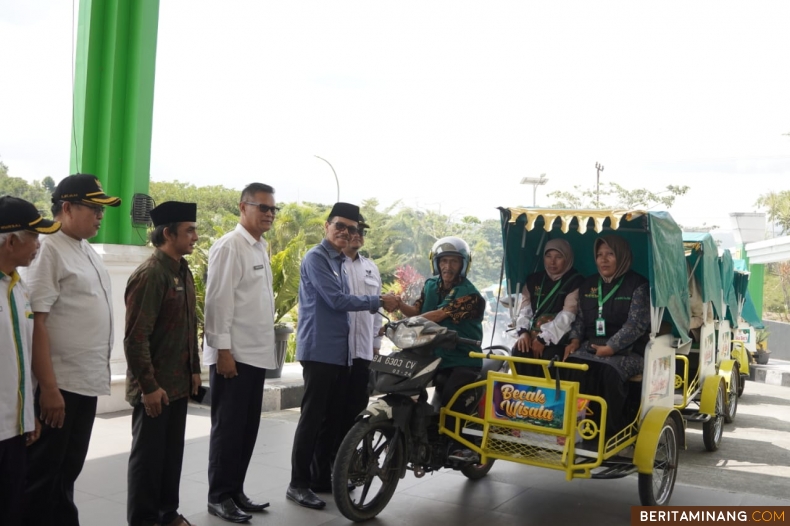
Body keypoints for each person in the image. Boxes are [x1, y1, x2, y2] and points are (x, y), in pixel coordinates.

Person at [22, 174, 121, 526]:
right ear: (67, 207)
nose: (100, 216)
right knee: (43, 474)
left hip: (85, 379)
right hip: (59, 383)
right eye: (94, 208)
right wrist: (48, 388)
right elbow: (38, 322)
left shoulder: (83, 248)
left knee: (67, 470)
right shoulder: (48, 248)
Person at [287, 202, 398, 510]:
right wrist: (379, 300)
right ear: (327, 226)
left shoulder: (341, 262)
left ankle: (322, 477)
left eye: (351, 229)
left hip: (342, 353)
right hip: (319, 350)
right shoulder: (317, 257)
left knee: (333, 418)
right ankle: (298, 483)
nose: (346, 233)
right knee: (311, 419)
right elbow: (336, 300)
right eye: (340, 226)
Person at [124, 201, 201, 526]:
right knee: (149, 461)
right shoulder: (151, 274)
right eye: (190, 230)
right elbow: (135, 338)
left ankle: (168, 514)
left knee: (171, 458)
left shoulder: (182, 270)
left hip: (178, 384)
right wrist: (149, 387)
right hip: (154, 389)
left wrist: (194, 371)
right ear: (168, 233)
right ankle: (144, 520)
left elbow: (188, 325)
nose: (196, 236)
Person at [204, 183, 277, 523]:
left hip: (257, 353)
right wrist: (223, 351)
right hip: (235, 356)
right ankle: (218, 496)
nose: (269, 214)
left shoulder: (259, 247)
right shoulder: (230, 246)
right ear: (242, 208)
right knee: (228, 429)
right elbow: (218, 302)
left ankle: (235, 491)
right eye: (263, 208)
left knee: (247, 430)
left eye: (273, 209)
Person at [393, 236, 486, 461]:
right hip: (433, 355)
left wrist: (401, 325)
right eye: (444, 261)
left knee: (451, 397)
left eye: (454, 261)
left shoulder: (470, 294)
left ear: (463, 264)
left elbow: (439, 315)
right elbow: (416, 312)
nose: (448, 266)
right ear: (436, 262)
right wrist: (398, 306)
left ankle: (460, 447)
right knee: (404, 384)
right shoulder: (430, 285)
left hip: (463, 358)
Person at [0, 196, 60, 526]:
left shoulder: (17, 285)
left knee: (12, 507)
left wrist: (27, 416)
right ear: (11, 240)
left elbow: (19, 354)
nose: (39, 245)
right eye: (35, 237)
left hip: (13, 428)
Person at [565, 235, 650, 436]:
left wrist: (611, 347)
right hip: (592, 346)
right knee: (570, 367)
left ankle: (612, 433)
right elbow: (580, 318)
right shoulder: (589, 284)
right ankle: (575, 430)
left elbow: (635, 325)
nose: (603, 259)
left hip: (629, 352)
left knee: (608, 371)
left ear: (621, 256)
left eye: (610, 254)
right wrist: (574, 340)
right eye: (599, 255)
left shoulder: (638, 285)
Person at [339, 213, 382, 446]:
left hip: (363, 353)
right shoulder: (333, 265)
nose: (357, 235)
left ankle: (349, 467)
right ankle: (328, 467)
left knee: (357, 413)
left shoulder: (371, 268)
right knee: (333, 413)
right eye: (352, 230)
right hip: (338, 353)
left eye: (361, 231)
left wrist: (376, 345)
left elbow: (375, 311)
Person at [512, 239, 584, 377]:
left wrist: (543, 339)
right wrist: (523, 333)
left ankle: (545, 397)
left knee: (551, 357)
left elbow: (567, 316)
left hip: (559, 337)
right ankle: (522, 394)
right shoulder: (533, 280)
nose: (552, 262)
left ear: (567, 258)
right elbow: (525, 310)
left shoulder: (576, 281)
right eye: (548, 256)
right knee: (519, 350)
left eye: (558, 257)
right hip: (533, 333)